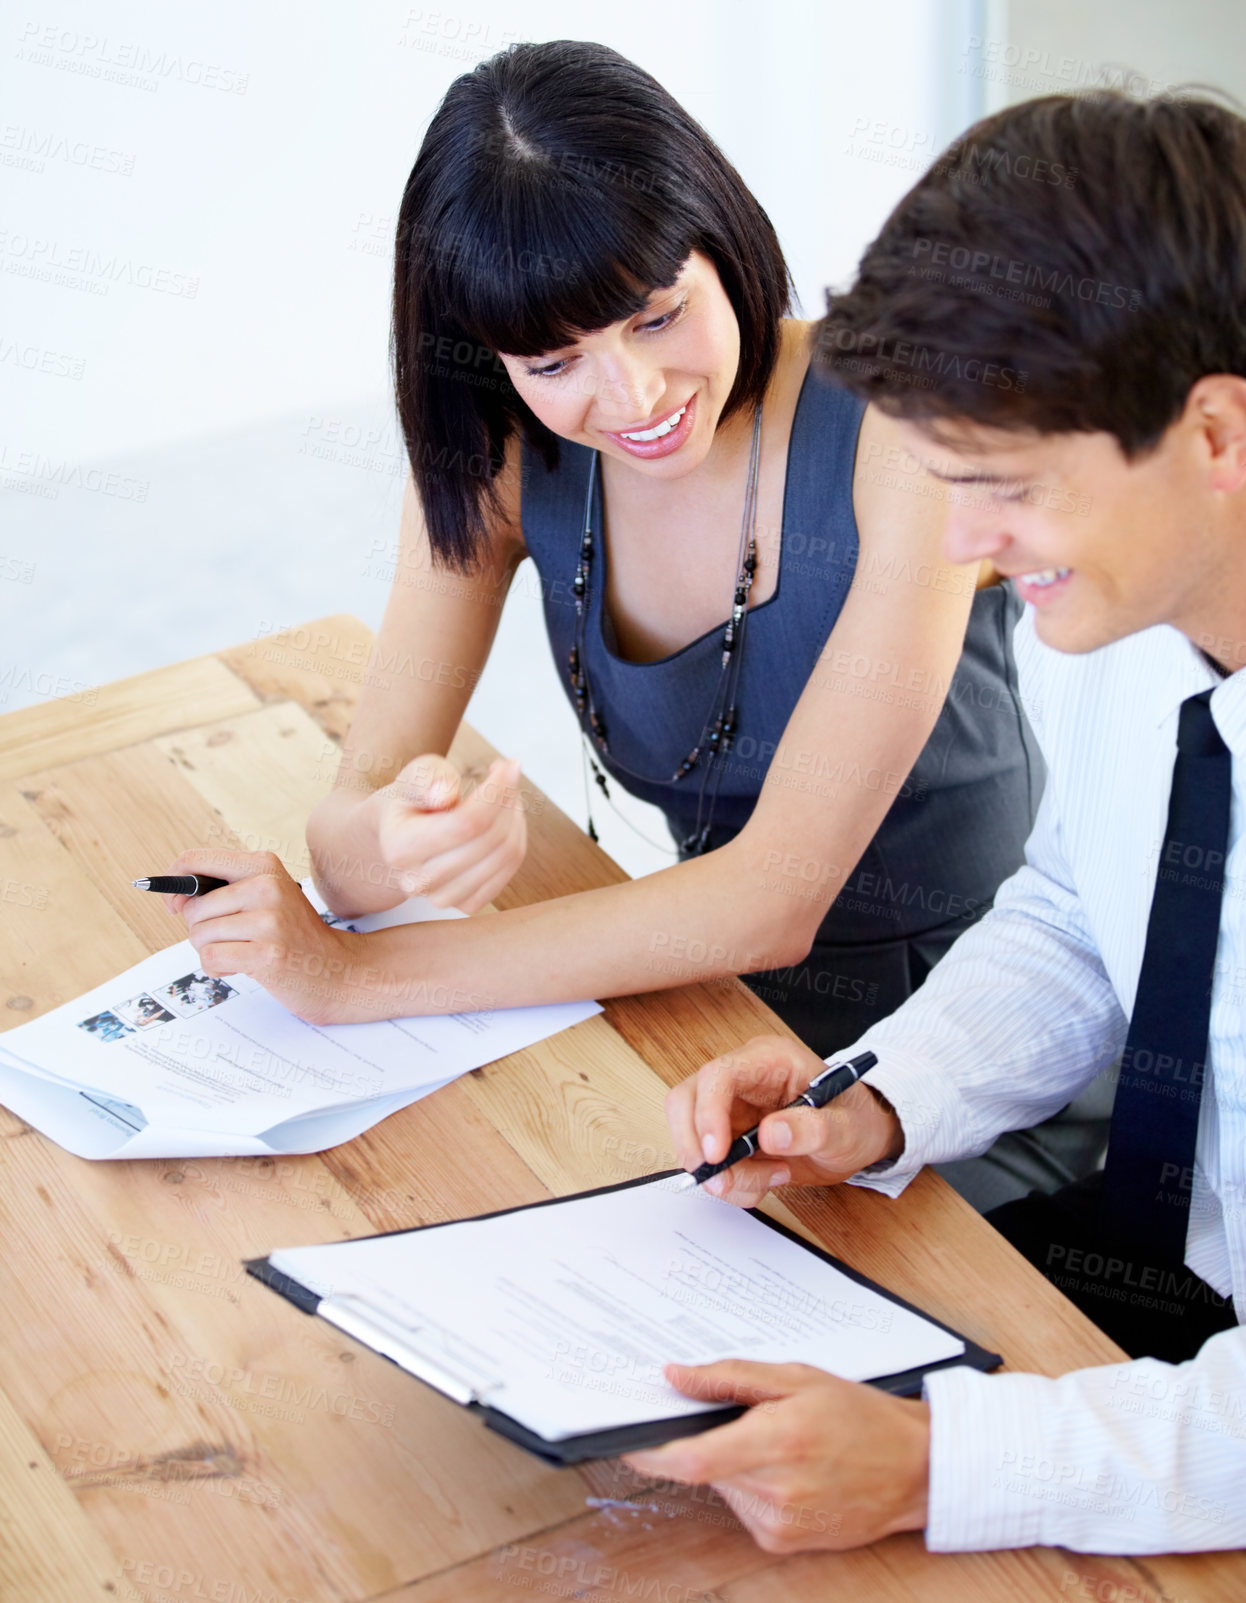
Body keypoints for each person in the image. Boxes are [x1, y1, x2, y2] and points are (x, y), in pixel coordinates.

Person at [163, 40, 1093, 1206]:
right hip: (703, 1020)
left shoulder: (896, 430)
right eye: (553, 359)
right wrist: (389, 842)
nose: (633, 399)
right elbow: (347, 844)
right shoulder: (501, 457)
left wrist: (349, 980)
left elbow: (771, 899)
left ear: (723, 240)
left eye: (657, 319)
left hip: (964, 1063)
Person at [636, 88, 1246, 1555]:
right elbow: (1079, 915)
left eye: (1005, 489)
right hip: (1162, 1299)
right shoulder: (1100, 619)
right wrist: (880, 1093)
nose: (962, 548)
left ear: (1212, 432)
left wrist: (935, 1464)